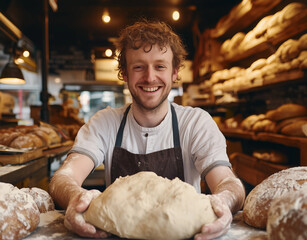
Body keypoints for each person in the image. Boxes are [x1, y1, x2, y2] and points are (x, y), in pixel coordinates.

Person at [49, 20, 245, 240]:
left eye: (160, 66)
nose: (150, 77)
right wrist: (76, 197)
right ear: (124, 73)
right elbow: (63, 179)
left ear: (174, 72)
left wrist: (224, 200)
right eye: (139, 67)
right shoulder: (105, 122)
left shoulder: (196, 123)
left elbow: (227, 183)